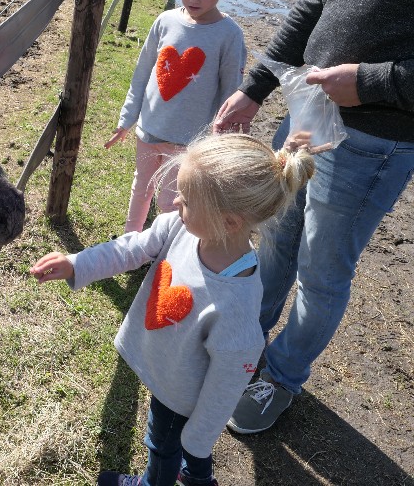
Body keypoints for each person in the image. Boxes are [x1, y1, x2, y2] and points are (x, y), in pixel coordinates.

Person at [212, 0, 414, 435]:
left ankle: (280, 374)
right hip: (307, 115)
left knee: (322, 271)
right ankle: (248, 340)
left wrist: (376, 83)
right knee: (276, 236)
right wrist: (256, 85)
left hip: (375, 137)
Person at [30, 133, 315, 486]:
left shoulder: (235, 304)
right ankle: (197, 479)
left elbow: (226, 385)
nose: (175, 201)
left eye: (187, 199)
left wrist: (197, 440)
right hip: (170, 372)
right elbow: (131, 249)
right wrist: (77, 263)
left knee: (164, 445)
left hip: (181, 396)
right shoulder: (182, 226)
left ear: (229, 222)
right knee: (175, 446)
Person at [105, 0, 246, 234]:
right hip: (150, 129)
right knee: (141, 186)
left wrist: (218, 141)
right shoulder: (165, 21)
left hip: (189, 141)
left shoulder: (229, 35)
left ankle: (162, 251)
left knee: (171, 200)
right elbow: (143, 73)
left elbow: (230, 93)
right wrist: (127, 118)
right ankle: (132, 242)